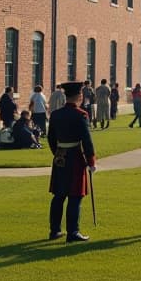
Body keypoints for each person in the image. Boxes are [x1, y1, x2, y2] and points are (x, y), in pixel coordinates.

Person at [47, 81, 96, 243]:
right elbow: (87, 141)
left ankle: (54, 230)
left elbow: (51, 139)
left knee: (59, 196)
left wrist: (57, 153)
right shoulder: (80, 115)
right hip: (75, 157)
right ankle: (73, 231)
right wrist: (91, 161)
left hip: (60, 157)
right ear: (79, 96)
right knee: (75, 196)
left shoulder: (55, 114)